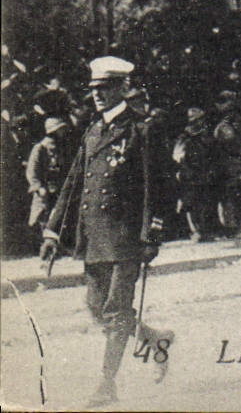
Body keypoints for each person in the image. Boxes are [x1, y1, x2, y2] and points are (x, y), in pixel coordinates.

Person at [39, 56, 175, 408]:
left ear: (122, 89)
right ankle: (155, 340)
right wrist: (52, 233)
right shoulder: (94, 131)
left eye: (105, 88)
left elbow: (158, 186)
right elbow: (73, 185)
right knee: (97, 307)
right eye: (94, 90)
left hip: (127, 237)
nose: (98, 95)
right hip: (95, 237)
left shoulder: (142, 129)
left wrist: (152, 234)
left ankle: (106, 384)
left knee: (116, 311)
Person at [170, 108, 220, 242]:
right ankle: (196, 231)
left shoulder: (207, 136)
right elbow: (177, 156)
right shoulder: (185, 138)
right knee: (191, 204)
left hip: (204, 173)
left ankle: (206, 229)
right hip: (190, 174)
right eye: (197, 120)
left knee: (206, 202)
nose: (201, 122)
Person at [26, 116, 73, 240]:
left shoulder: (62, 147)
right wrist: (39, 187)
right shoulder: (39, 148)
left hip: (58, 188)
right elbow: (32, 171)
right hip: (44, 190)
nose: (64, 132)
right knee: (42, 216)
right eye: (61, 129)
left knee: (57, 216)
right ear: (54, 130)